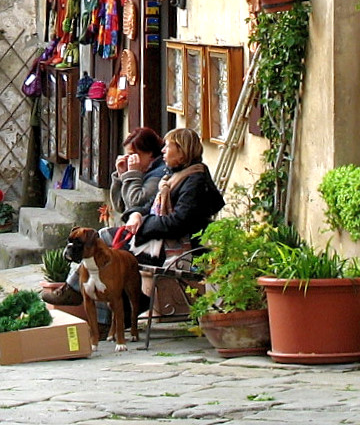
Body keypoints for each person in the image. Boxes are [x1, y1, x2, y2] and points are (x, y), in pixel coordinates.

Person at [42, 126, 167, 306]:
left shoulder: (158, 173)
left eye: (134, 154)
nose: (129, 159)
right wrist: (121, 176)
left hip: (151, 241)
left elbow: (135, 202)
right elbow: (120, 206)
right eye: (127, 154)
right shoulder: (144, 170)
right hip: (139, 234)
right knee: (99, 256)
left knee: (98, 242)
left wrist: (132, 175)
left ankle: (73, 290)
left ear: (150, 154)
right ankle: (78, 292)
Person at [122, 126, 225, 262]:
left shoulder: (195, 181)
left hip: (179, 248)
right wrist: (136, 215)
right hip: (160, 239)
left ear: (181, 151)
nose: (163, 150)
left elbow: (178, 221)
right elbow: (150, 204)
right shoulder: (172, 176)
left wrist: (143, 223)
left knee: (115, 253)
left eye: (167, 146)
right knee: (107, 239)